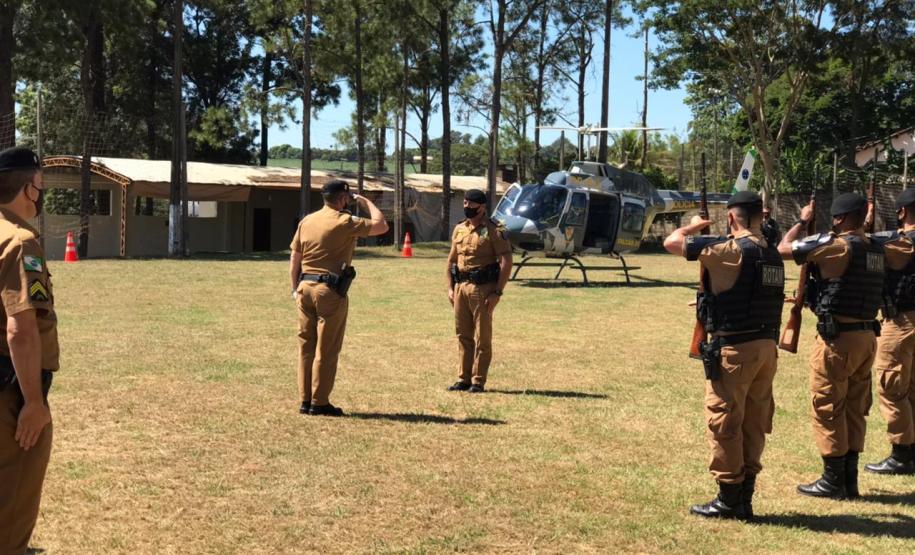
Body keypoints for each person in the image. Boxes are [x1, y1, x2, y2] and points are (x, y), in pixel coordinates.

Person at [663, 190, 785, 521]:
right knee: (753, 423)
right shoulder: (773, 254)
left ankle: (730, 499)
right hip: (765, 348)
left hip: (734, 349)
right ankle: (745, 496)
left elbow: (671, 243)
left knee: (724, 421)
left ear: (731, 217)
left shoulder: (732, 251)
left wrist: (693, 226)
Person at [778, 192, 884, 499]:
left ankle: (832, 480)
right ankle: (849, 481)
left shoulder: (834, 246)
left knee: (827, 406)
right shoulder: (876, 248)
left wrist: (802, 221)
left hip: (837, 340)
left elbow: (782, 249)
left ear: (838, 218)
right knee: (854, 408)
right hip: (867, 337)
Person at [288, 179, 388, 416]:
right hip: (329, 291)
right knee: (327, 347)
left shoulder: (307, 220)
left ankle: (305, 399)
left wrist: (294, 288)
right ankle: (319, 402)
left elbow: (295, 258)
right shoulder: (344, 221)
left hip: (304, 287)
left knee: (306, 347)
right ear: (343, 199)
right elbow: (382, 225)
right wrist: (365, 202)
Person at [0, 146, 58, 554]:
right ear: (29, 188)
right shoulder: (20, 241)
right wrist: (33, 403)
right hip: (11, 395)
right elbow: (21, 330)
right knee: (12, 506)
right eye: (40, 184)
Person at [865, 188, 915, 475]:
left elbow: (865, 242)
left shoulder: (899, 242)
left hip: (902, 321)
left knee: (892, 385)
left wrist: (868, 219)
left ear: (902, 212)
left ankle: (901, 453)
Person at [445, 189, 512, 393]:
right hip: (461, 288)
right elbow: (451, 260)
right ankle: (463, 378)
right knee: (463, 335)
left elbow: (506, 260)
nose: (467, 207)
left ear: (482, 207)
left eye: (471, 204)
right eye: (465, 203)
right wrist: (450, 287)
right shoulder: (459, 229)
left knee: (483, 337)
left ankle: (478, 380)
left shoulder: (494, 229)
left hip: (483, 289)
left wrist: (497, 292)